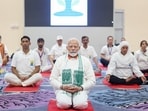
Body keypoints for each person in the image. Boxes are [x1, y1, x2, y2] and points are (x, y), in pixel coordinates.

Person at [50, 38, 96, 109]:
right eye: (71, 46)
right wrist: (62, 86)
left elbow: (92, 80)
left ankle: (75, 100)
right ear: (67, 48)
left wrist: (81, 87)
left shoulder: (85, 61)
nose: (73, 48)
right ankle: (67, 100)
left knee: (80, 105)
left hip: (80, 89)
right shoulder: (60, 60)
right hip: (63, 89)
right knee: (63, 104)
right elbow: (52, 79)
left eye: (75, 46)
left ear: (79, 48)